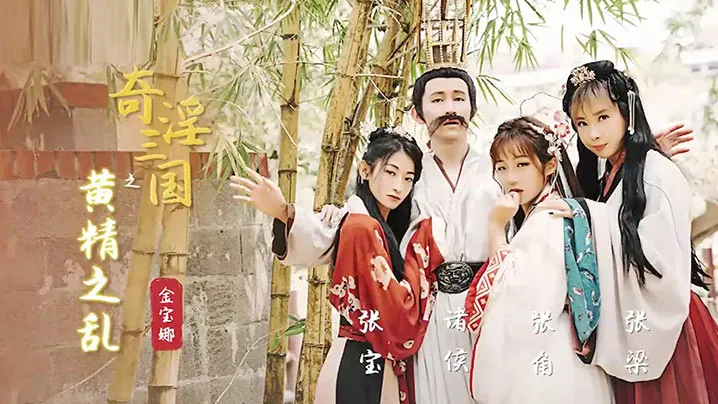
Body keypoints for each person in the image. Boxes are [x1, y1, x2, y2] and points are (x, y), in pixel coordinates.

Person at [262, 64, 697, 404]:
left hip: (494, 312)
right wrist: (285, 213)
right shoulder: (405, 171)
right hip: (431, 317)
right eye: (437, 99)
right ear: (418, 113)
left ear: (472, 109)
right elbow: (351, 230)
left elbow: (570, 202)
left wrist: (636, 155)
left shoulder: (499, 165)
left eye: (459, 98)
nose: (449, 107)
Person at [541, 60, 718, 404]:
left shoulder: (657, 172)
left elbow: (660, 257)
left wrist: (588, 216)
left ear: (628, 112)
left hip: (666, 328)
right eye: (582, 123)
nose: (593, 133)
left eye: (603, 117)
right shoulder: (612, 173)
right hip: (635, 325)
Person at [231, 127, 444, 404]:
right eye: (391, 172)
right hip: (358, 361)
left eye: (408, 178)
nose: (398, 186)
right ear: (365, 170)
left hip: (367, 359)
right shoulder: (361, 226)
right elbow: (395, 310)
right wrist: (282, 210)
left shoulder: (379, 224)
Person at [463, 116, 614, 403]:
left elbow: (520, 301)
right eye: (502, 167)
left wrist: (495, 229)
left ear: (550, 166)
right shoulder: (540, 215)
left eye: (522, 165)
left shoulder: (549, 217)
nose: (510, 177)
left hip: (548, 361)